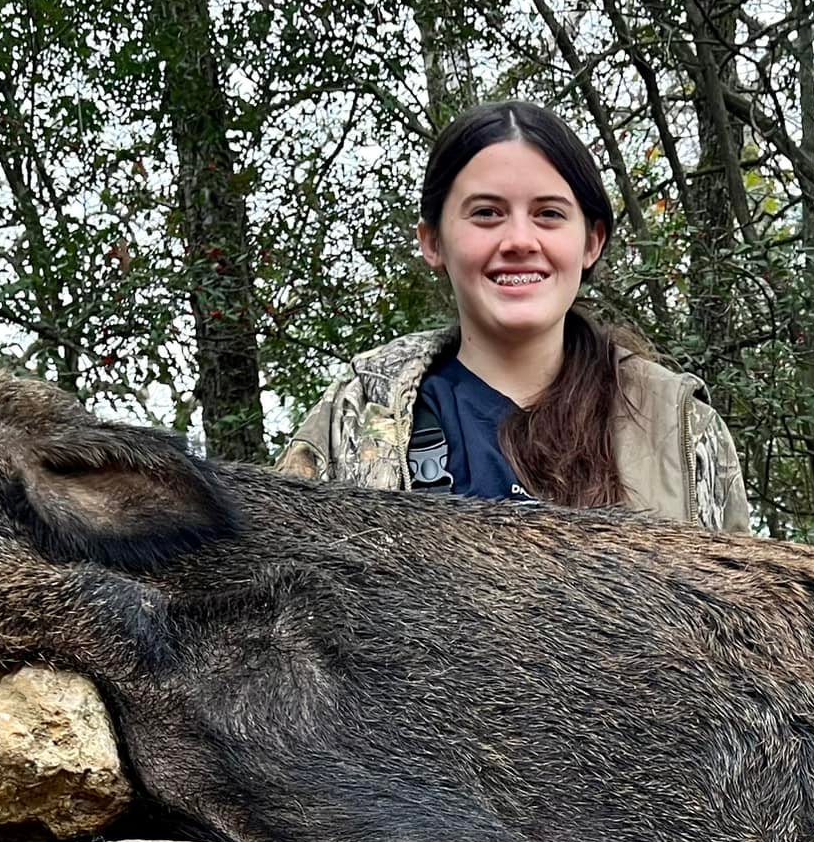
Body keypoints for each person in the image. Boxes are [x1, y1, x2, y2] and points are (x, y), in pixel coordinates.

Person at [277, 100, 751, 533]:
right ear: (433, 242)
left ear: (591, 242)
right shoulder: (357, 416)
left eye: (548, 214)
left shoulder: (681, 428)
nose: (520, 241)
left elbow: (746, 618)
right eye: (486, 213)